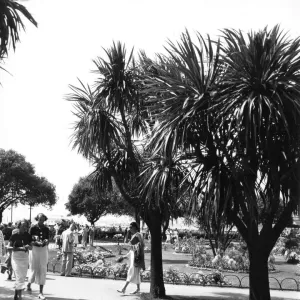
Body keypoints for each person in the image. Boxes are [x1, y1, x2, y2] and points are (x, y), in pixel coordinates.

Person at [117, 222, 145, 295]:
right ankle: (138, 289)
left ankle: (124, 288)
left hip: (136, 257)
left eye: (131, 227)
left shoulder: (138, 235)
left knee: (131, 272)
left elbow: (142, 245)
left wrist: (137, 254)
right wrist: (125, 256)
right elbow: (130, 247)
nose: (129, 229)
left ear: (135, 227)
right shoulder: (134, 235)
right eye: (129, 227)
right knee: (136, 273)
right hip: (133, 255)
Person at [27, 213, 50, 300]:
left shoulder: (46, 229)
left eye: (43, 219)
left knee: (43, 268)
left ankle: (41, 292)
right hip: (35, 250)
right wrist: (35, 242)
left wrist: (46, 241)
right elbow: (29, 239)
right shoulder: (33, 228)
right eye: (40, 219)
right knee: (34, 268)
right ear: (37, 219)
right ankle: (29, 283)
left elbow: (48, 239)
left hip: (43, 249)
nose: (41, 221)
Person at [8, 219, 32, 300]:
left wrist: (28, 247)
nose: (24, 227)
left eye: (26, 226)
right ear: (19, 226)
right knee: (18, 276)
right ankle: (20, 296)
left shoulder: (28, 235)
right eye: (23, 226)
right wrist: (19, 248)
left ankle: (16, 294)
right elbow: (9, 247)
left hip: (25, 257)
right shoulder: (14, 235)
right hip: (16, 258)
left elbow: (31, 247)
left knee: (22, 277)